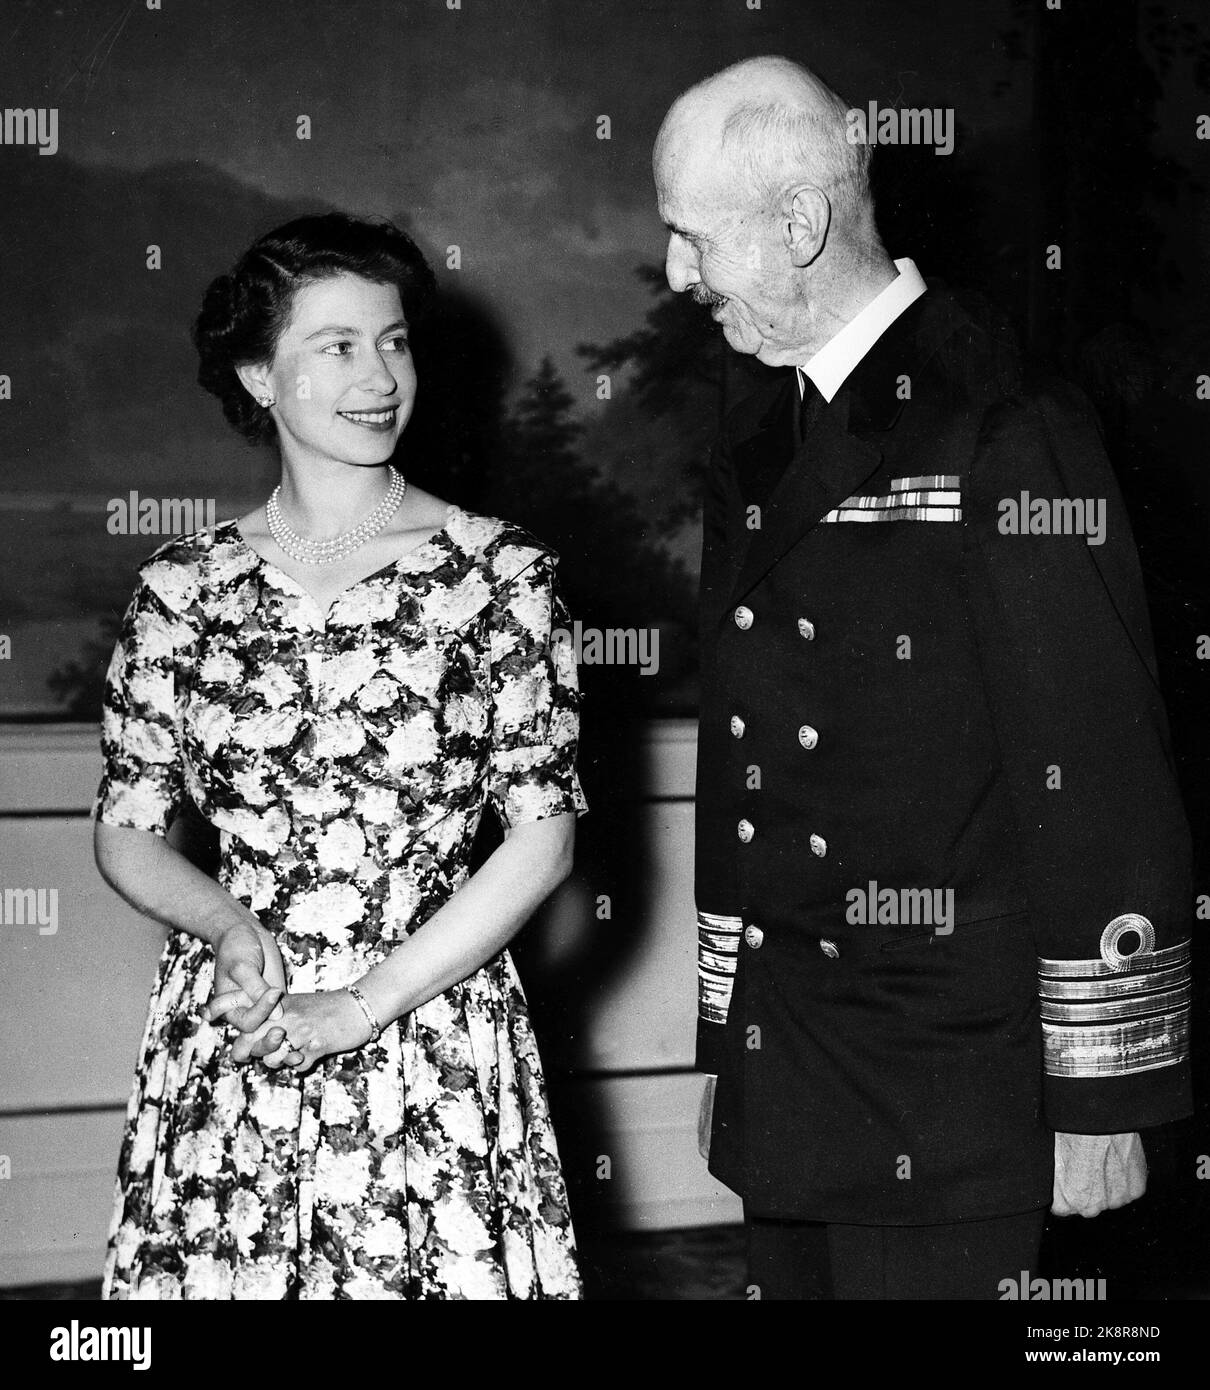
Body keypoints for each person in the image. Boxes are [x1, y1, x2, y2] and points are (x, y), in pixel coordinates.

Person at [653, 57, 1193, 1300]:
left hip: (957, 1090)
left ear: (798, 224)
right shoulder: (757, 433)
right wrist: (730, 1048)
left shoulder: (1006, 424)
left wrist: (1103, 1090)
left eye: (690, 235)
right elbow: (742, 763)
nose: (678, 274)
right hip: (794, 1069)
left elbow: (1099, 772)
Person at [92, 212, 587, 1299]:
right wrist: (225, 924)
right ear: (258, 375)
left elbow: (541, 842)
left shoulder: (497, 575)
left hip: (429, 1026)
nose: (381, 376)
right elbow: (126, 834)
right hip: (241, 1030)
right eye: (339, 345)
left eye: (396, 340)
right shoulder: (185, 591)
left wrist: (361, 1004)